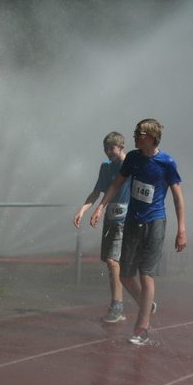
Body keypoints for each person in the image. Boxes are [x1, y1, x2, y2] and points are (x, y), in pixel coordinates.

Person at [92, 118, 186, 346]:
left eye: (139, 133)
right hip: (132, 221)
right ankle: (147, 303)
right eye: (135, 132)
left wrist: (182, 229)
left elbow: (177, 197)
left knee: (146, 275)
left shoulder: (166, 162)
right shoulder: (133, 158)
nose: (134, 135)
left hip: (154, 222)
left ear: (152, 137)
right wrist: (101, 206)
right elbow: (116, 184)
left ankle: (142, 328)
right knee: (125, 274)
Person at [73, 132, 132, 323]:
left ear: (121, 146)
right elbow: (96, 192)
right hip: (109, 220)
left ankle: (117, 307)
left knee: (113, 261)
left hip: (126, 220)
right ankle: (142, 300)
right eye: (106, 149)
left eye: (112, 149)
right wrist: (82, 210)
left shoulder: (131, 165)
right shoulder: (106, 168)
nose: (108, 153)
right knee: (112, 263)